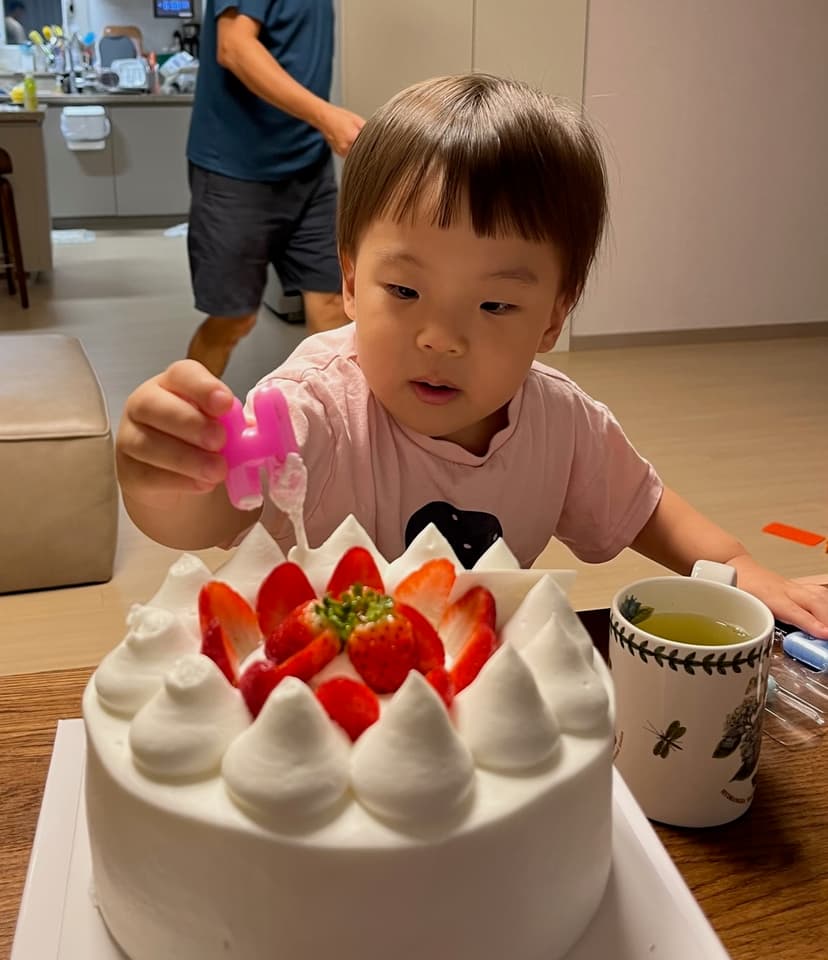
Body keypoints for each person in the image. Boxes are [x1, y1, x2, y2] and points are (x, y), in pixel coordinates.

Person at [118, 73, 828, 637]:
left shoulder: (560, 423)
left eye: (494, 305)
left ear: (555, 314)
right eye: (403, 289)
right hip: (319, 693)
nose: (441, 338)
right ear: (351, 281)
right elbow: (212, 520)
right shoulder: (315, 405)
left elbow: (642, 509)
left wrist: (737, 566)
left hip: (473, 692)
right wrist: (166, 474)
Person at [185, 0, 365, 377]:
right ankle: (184, 425)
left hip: (309, 167)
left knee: (334, 304)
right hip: (234, 170)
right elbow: (233, 46)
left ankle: (337, 430)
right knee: (233, 319)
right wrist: (325, 115)